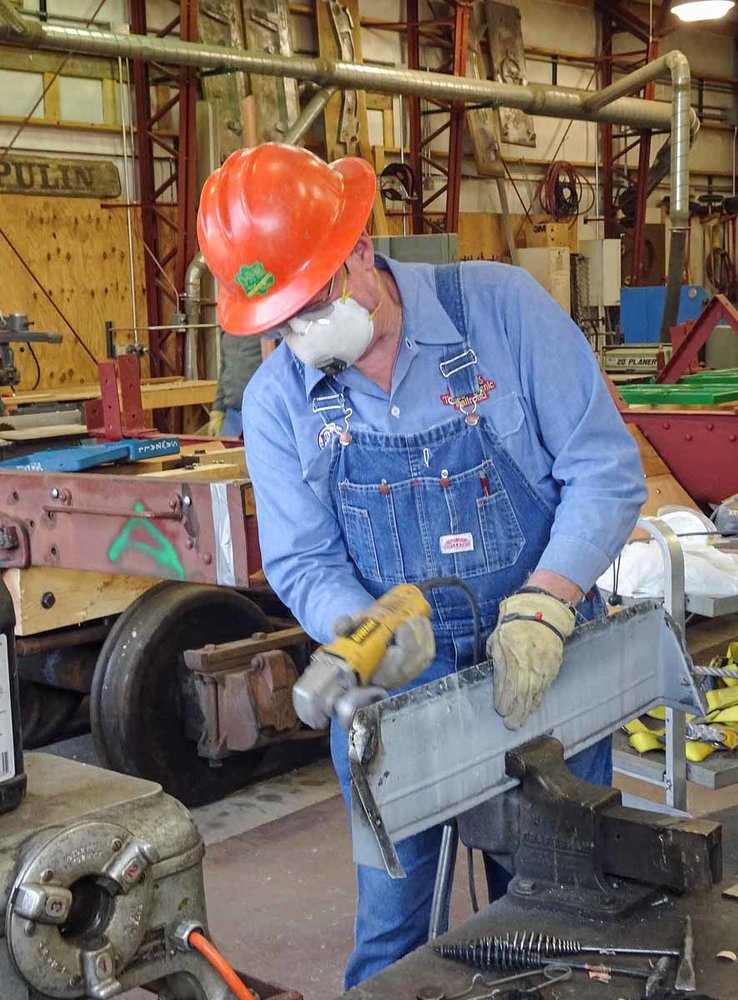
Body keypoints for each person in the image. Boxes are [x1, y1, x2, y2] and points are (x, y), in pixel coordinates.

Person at [197, 143, 647, 989]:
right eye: (282, 320)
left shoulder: (501, 312)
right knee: (392, 937)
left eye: (314, 300)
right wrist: (361, 627)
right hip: (399, 691)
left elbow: (604, 470)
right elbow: (301, 556)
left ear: (359, 248)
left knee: (555, 908)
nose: (304, 332)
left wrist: (549, 600)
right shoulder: (279, 402)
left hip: (546, 653)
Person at [204, 331, 263, 436]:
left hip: (261, 413)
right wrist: (218, 410)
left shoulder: (268, 329)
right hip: (233, 416)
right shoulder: (228, 331)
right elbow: (224, 370)